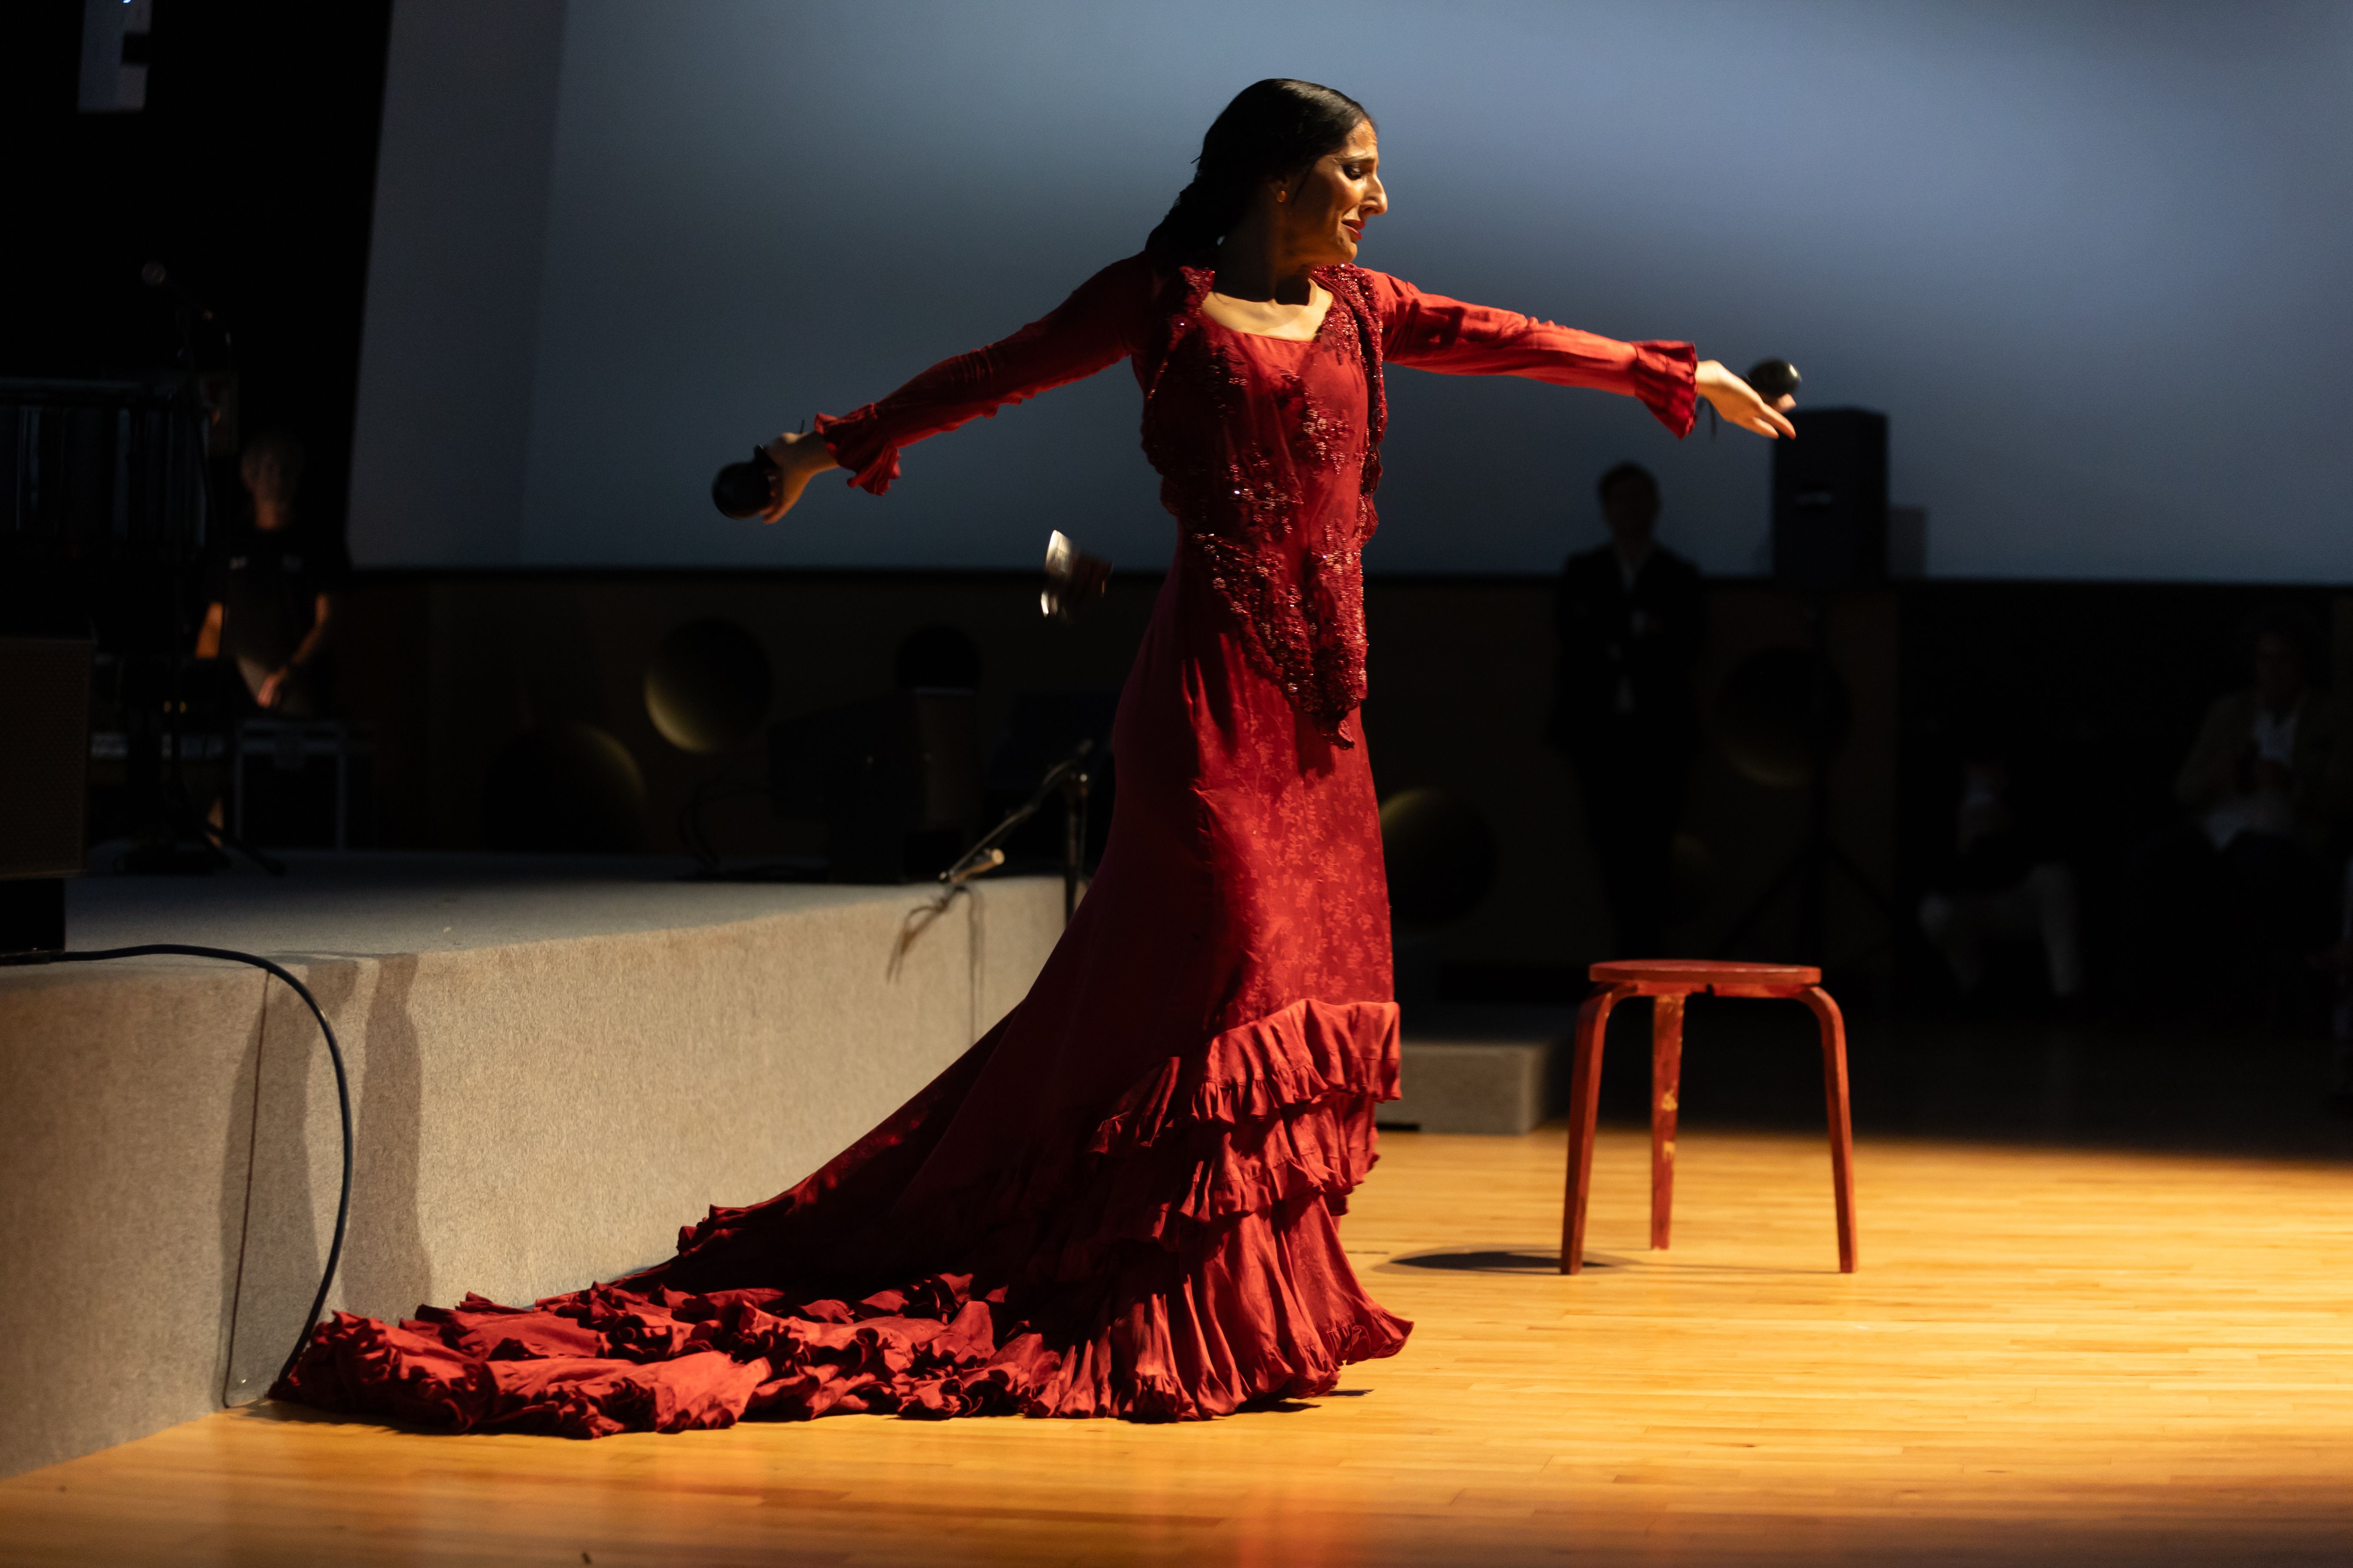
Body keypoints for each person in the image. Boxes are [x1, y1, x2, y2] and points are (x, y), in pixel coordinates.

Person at [278, 79, 1791, 1434]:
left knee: (1274, 990)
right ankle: (1167, 1303)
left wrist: (1680, 376)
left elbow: (1516, 340)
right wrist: (823, 449)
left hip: (1323, 720)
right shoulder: (1163, 300)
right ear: (1281, 182)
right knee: (1228, 966)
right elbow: (992, 370)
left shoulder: (1368, 309)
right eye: (1359, 171)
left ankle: (1265, 1305)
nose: (1378, 200)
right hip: (1202, 704)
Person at [2127, 607, 2348, 1011]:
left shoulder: (2330, 716)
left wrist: (2289, 783)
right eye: (2264, 659)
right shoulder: (2229, 712)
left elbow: (2339, 798)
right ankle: (2145, 1000)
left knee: (2260, 867)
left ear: (2302, 663)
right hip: (2218, 830)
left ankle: (2265, 998)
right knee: (2151, 863)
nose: (2272, 670)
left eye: (2283, 659)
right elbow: (2184, 789)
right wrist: (2219, 777)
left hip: (2288, 838)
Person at [1546, 463, 1706, 957]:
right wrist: (1637, 630)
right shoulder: (1584, 571)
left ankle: (1648, 954)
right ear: (1606, 509)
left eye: (1640, 497)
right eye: (1621, 498)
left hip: (1660, 732)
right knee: (1608, 844)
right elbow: (1575, 638)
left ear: (1655, 505)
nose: (1631, 508)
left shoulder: (1679, 575)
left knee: (1655, 845)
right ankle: (1623, 955)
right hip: (1597, 731)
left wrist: (1619, 633)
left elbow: (1688, 642)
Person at [1915, 747, 2083, 1007]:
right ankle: (1973, 990)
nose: (1984, 773)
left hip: (2020, 899)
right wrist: (1963, 846)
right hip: (1973, 902)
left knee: (2057, 879)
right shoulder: (1947, 802)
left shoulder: (2027, 794)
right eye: (1977, 764)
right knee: (1934, 912)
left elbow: (2054, 849)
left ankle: (2068, 993)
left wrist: (2012, 830)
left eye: (1991, 764)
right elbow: (1938, 877)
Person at [194, 431, 342, 718]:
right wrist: (203, 680)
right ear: (250, 478)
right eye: (270, 469)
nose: (279, 478)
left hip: (296, 695)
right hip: (236, 696)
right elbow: (215, 622)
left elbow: (330, 620)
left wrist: (291, 671)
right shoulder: (232, 544)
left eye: (287, 469)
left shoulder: (318, 545)